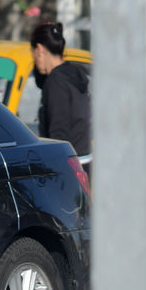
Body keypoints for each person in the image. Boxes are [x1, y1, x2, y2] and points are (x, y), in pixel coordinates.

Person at [30, 22, 92, 178]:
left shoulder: (56, 82)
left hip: (67, 166)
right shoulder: (72, 75)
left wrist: (54, 172)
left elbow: (58, 132)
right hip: (83, 160)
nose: (34, 61)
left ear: (40, 50)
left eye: (34, 54)